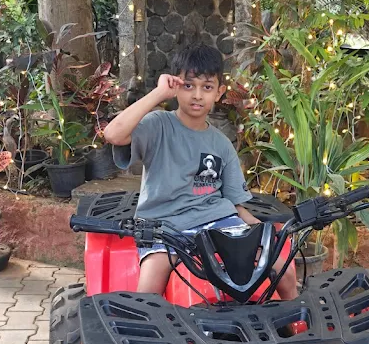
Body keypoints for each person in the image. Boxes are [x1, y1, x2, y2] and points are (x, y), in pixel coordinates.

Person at [104, 43, 299, 300]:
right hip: (164, 224)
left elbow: (234, 203)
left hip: (219, 220)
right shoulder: (158, 124)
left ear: (218, 92)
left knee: (281, 267)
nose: (197, 95)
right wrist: (158, 94)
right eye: (188, 85)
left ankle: (298, 328)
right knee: (150, 283)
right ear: (175, 87)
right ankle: (145, 334)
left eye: (206, 87)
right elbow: (113, 134)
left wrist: (262, 232)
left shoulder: (221, 143)